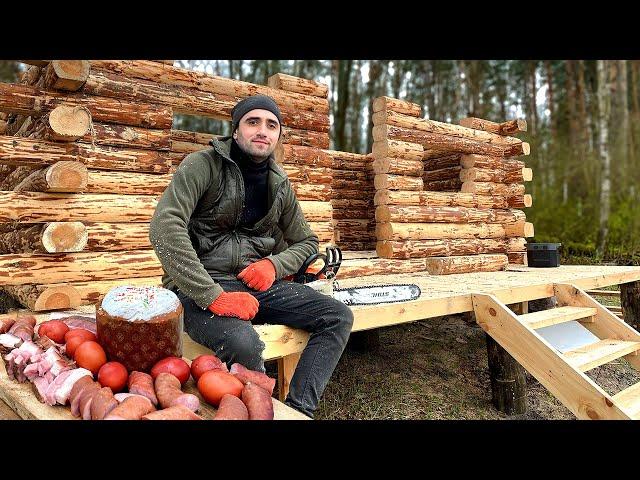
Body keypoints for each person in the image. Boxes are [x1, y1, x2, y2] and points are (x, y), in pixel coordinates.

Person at [149, 94, 354, 418]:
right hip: (197, 284)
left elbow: (307, 241)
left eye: (271, 125)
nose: (263, 130)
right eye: (253, 122)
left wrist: (275, 264)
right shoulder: (202, 165)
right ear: (236, 129)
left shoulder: (279, 184)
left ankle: (298, 412)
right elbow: (164, 227)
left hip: (254, 283)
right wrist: (212, 295)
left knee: (337, 317)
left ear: (277, 135)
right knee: (244, 344)